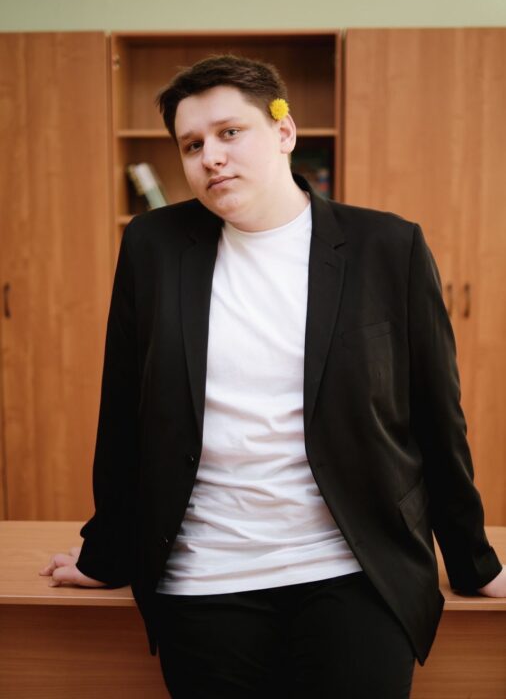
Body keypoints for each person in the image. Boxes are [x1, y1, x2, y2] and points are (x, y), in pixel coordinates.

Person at [40, 55, 506, 698]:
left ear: (284, 131)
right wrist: (105, 554)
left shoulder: (386, 246)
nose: (211, 157)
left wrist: (473, 561)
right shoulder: (154, 246)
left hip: (354, 570)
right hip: (206, 575)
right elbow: (123, 411)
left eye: (230, 132)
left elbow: (436, 417)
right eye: (192, 145)